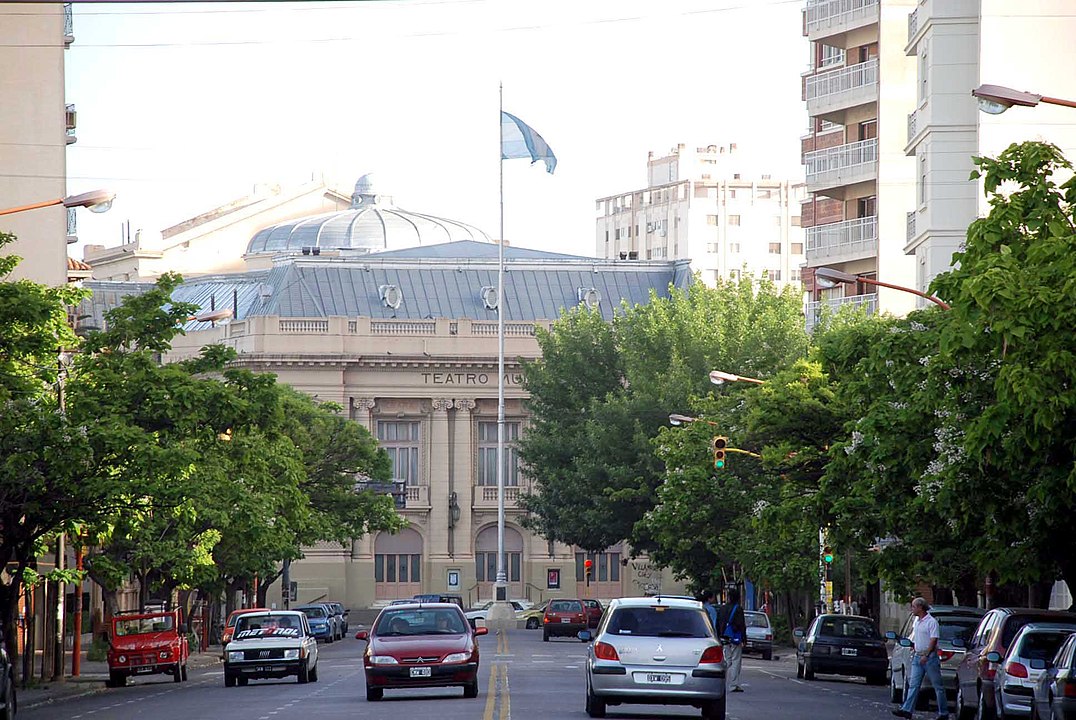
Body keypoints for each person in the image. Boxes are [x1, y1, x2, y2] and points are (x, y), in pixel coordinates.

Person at [892, 597, 948, 720]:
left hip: (929, 658)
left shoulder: (931, 622)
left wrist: (926, 654)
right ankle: (907, 710)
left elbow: (933, 640)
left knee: (937, 686)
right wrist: (914, 646)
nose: (911, 609)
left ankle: (944, 713)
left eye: (913, 606)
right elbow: (918, 638)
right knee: (914, 685)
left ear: (920, 607)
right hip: (917, 656)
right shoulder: (916, 621)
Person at [717, 588, 747, 693]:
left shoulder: (722, 609)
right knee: (736, 661)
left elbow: (717, 623)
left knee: (726, 660)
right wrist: (744, 638)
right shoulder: (738, 609)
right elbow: (741, 625)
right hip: (735, 638)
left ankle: (720, 682)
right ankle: (733, 685)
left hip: (724, 637)